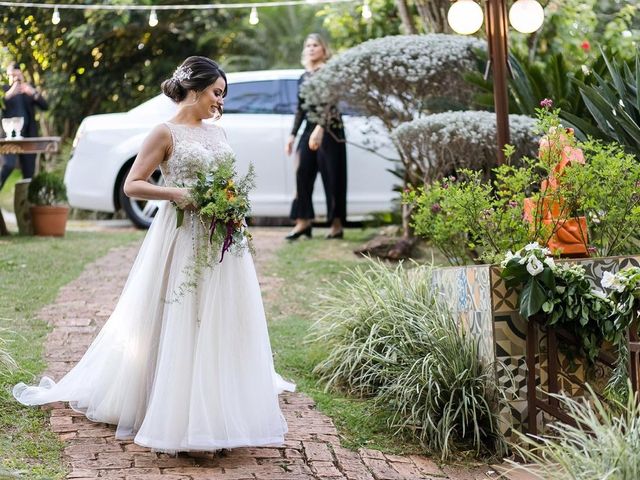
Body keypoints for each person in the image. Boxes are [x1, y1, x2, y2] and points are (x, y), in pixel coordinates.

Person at [13, 56, 294, 453]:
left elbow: (227, 180)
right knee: (180, 316)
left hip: (222, 239)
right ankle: (173, 410)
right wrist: (177, 193)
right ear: (195, 89)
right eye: (216, 93)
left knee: (220, 318)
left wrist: (233, 206)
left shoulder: (219, 132)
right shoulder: (163, 133)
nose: (220, 102)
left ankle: (217, 409)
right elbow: (133, 185)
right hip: (180, 235)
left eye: (223, 96)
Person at [285, 33, 347, 240]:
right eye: (308, 45)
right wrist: (292, 135)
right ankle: (303, 222)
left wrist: (320, 128)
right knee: (302, 174)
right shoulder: (303, 77)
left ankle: (336, 224)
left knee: (333, 177)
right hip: (310, 126)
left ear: (323, 49)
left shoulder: (329, 73)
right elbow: (300, 109)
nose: (311, 48)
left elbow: (332, 104)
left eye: (315, 45)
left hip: (330, 129)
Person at [0, 62, 49, 190]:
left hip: (28, 136)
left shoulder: (28, 89)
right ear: (8, 75)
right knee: (7, 166)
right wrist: (11, 92)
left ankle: (25, 204)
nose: (15, 79)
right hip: (8, 137)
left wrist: (32, 92)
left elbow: (45, 106)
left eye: (17, 76)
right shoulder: (4, 90)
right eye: (12, 76)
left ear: (21, 74)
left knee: (29, 173)